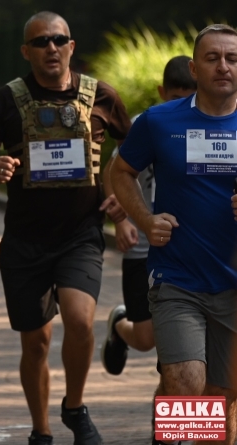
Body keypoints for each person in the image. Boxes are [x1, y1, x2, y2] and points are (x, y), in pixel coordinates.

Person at [0, 11, 131, 445]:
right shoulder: (6, 100)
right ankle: (40, 430)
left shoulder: (101, 95)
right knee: (36, 344)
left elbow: (135, 151)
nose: (51, 48)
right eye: (41, 41)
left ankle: (75, 408)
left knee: (80, 322)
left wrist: (119, 189)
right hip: (25, 239)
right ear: (26, 51)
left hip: (81, 234)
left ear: (71, 46)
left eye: (59, 39)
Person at [112, 24, 237, 445]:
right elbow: (121, 172)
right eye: (212, 58)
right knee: (187, 384)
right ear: (194, 67)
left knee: (221, 400)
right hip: (177, 278)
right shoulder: (160, 121)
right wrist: (146, 221)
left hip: (234, 284)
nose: (223, 66)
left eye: (232, 59)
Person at [100, 56, 197, 378]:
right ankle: (119, 324)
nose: (183, 104)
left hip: (193, 251)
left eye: (190, 96)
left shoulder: (210, 124)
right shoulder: (151, 123)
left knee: (180, 349)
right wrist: (124, 220)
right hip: (144, 249)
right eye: (175, 97)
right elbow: (115, 171)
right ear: (161, 91)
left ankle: (172, 425)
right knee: (146, 339)